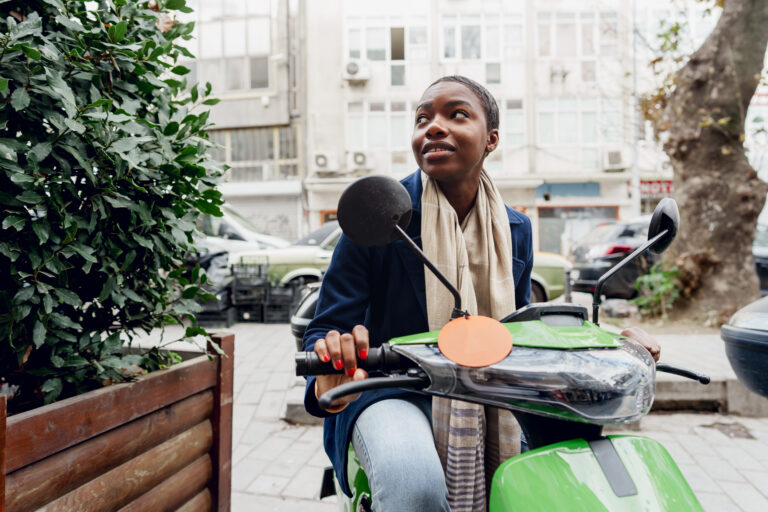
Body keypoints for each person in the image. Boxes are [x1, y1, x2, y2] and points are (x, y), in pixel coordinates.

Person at [302, 75, 661, 512]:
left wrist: (609, 343)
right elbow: (326, 329)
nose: (433, 127)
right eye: (422, 118)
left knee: (576, 478)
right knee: (413, 485)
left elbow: (519, 330)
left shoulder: (516, 229)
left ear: (491, 139)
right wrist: (332, 364)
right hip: (390, 390)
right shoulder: (379, 215)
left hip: (494, 391)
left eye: (456, 114)